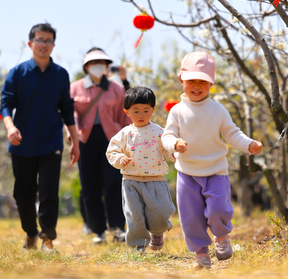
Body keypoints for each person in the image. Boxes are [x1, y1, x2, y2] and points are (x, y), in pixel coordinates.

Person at [161, 51, 263, 269]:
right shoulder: (177, 111)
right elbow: (167, 136)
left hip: (216, 171)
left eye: (203, 82)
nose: (197, 86)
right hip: (187, 173)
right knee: (190, 217)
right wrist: (175, 143)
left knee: (218, 209)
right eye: (191, 81)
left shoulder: (218, 110)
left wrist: (248, 144)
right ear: (181, 80)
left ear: (211, 84)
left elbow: (232, 134)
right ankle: (200, 252)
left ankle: (221, 236)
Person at [0, 23, 80, 253]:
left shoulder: (61, 75)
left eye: (48, 41)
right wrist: (10, 127)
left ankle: (47, 238)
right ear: (30, 43)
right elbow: (6, 104)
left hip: (51, 142)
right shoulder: (18, 73)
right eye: (39, 40)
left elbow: (67, 109)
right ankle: (30, 233)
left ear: (53, 45)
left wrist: (75, 141)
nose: (43, 44)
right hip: (21, 142)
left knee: (48, 192)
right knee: (23, 194)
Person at [70, 47, 129, 244]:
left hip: (112, 140)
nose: (97, 67)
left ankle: (119, 227)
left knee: (114, 183)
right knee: (89, 185)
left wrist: (128, 141)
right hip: (85, 140)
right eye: (93, 64)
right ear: (86, 67)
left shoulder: (116, 89)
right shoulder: (75, 88)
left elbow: (124, 117)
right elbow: (71, 116)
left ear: (106, 67)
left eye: (102, 64)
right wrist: (72, 137)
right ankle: (98, 231)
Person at [106, 87, 176, 252]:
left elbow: (168, 149)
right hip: (131, 181)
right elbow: (112, 150)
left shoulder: (159, 132)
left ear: (152, 110)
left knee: (161, 210)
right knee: (134, 216)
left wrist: (176, 153)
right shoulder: (125, 133)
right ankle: (138, 245)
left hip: (156, 180)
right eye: (136, 111)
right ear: (126, 112)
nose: (141, 115)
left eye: (146, 110)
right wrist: (120, 159)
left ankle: (157, 232)